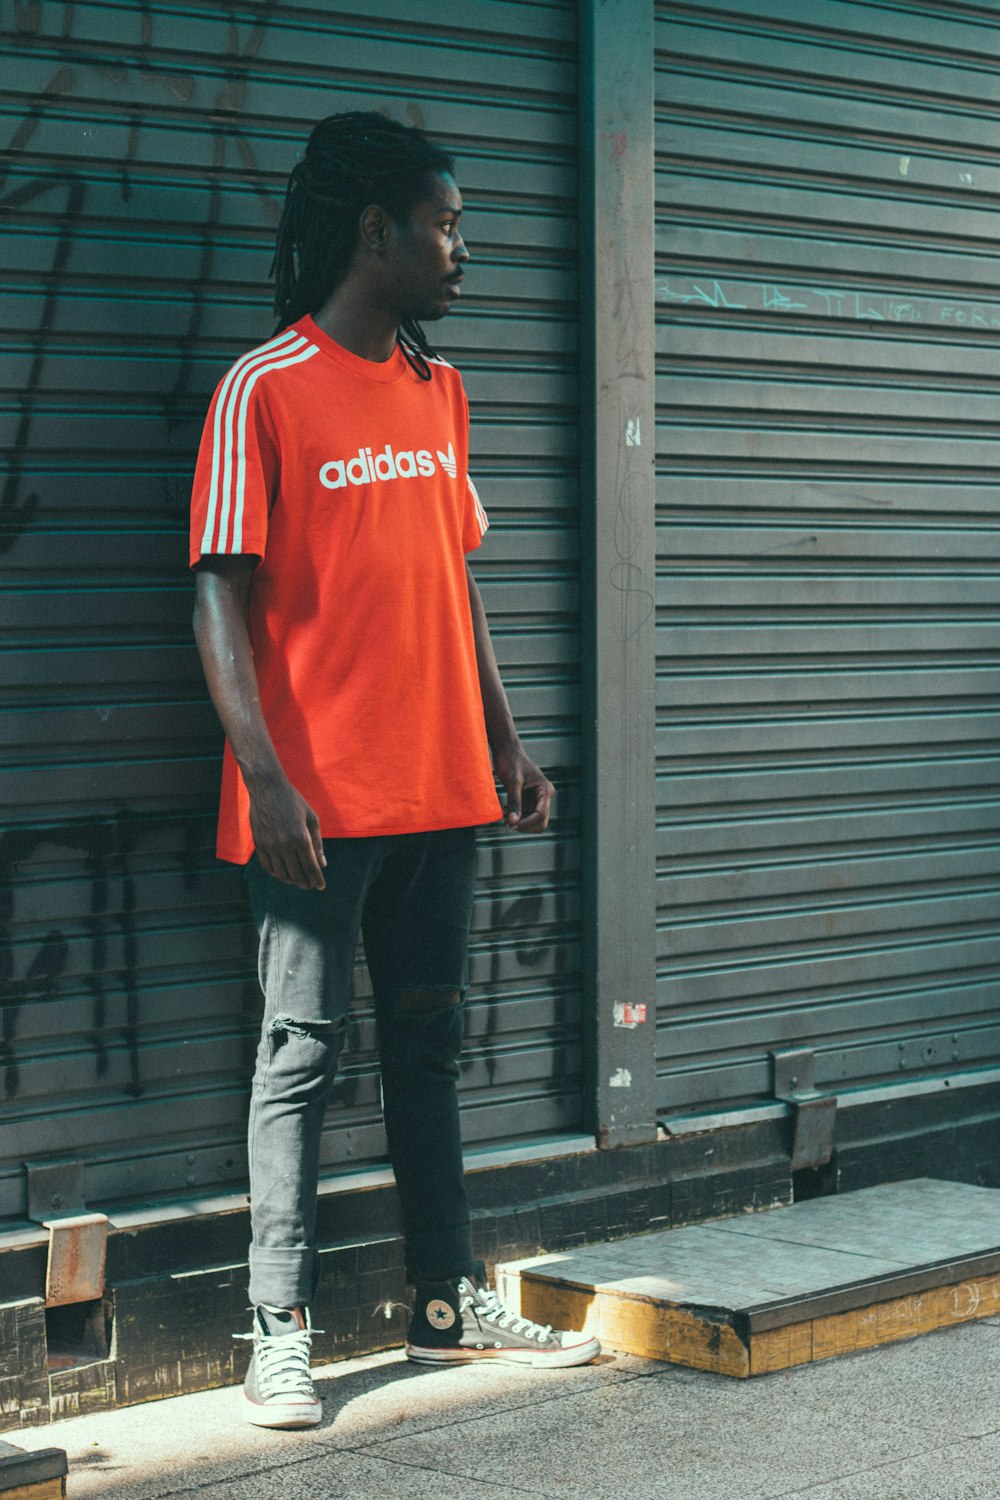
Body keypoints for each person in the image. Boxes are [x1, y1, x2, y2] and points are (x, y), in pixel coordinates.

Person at [190, 111, 600, 1430]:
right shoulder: (266, 387)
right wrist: (265, 780)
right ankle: (277, 1331)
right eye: (448, 225)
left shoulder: (438, 388)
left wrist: (509, 740)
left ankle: (443, 1304)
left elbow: (454, 578)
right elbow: (215, 598)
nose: (462, 251)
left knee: (429, 1049)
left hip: (440, 788)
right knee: (298, 1053)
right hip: (315, 804)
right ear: (379, 232)